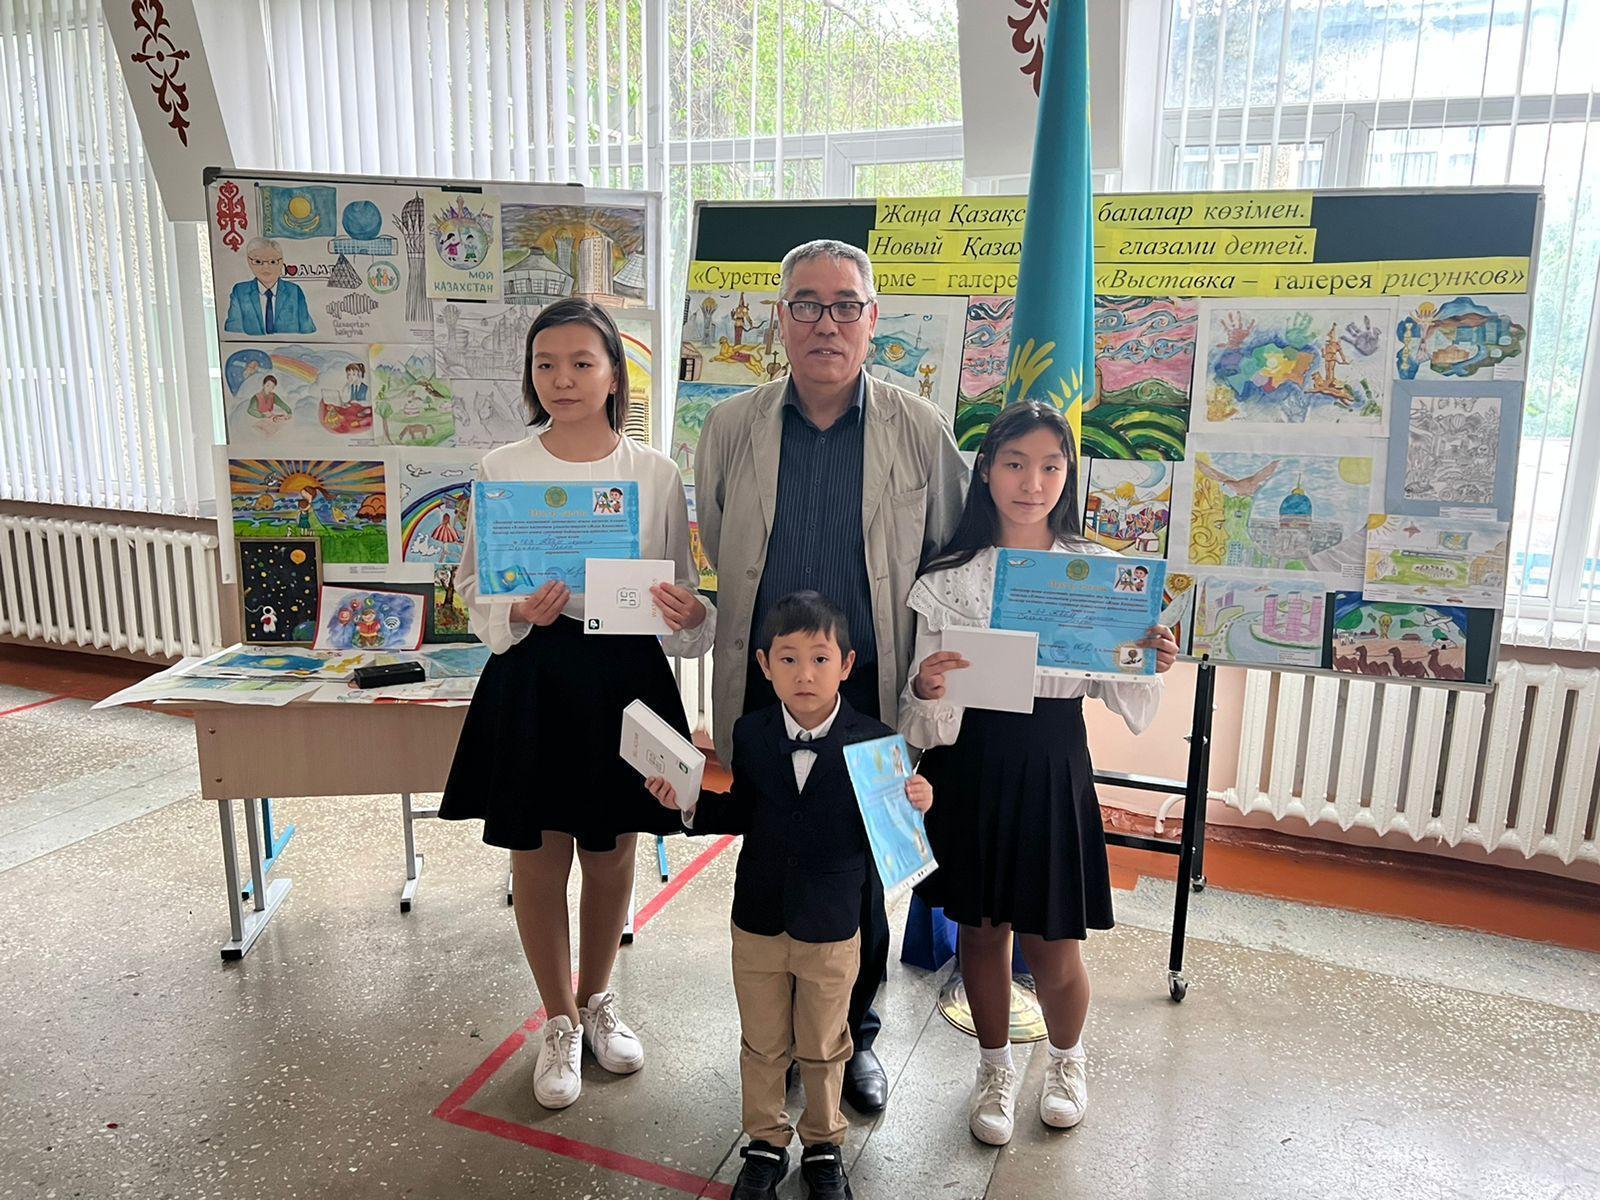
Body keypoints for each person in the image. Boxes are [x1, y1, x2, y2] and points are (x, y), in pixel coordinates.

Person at [695, 238, 967, 1113]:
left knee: (860, 872)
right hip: (770, 690)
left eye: (846, 305)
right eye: (806, 304)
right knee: (772, 858)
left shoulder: (918, 429)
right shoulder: (731, 426)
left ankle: (853, 1040)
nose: (826, 323)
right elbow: (720, 540)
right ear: (780, 320)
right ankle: (775, 1041)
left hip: (872, 697)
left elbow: (950, 554)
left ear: (872, 319)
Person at [440, 298, 714, 1111]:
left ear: (614, 375)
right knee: (537, 852)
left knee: (611, 848)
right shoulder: (502, 468)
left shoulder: (653, 472)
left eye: (581, 363)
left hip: (622, 672)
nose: (563, 379)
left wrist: (688, 612)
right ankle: (556, 1020)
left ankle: (598, 1002)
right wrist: (517, 609)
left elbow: (679, 594)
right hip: (535, 672)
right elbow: (472, 588)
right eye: (546, 364)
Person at [898, 401, 1180, 1147]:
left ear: (1068, 475)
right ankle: (993, 1068)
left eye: (1051, 467)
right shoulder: (949, 577)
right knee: (980, 932)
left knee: (1054, 939)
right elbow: (921, 714)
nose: (1032, 483)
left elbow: (1127, 700)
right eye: (1015, 464)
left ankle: (1066, 1061)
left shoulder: (1100, 573)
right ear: (986, 471)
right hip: (969, 764)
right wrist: (926, 686)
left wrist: (1149, 660)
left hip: (1053, 761)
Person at [645, 592, 933, 1200]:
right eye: (789, 659)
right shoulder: (750, 734)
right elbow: (742, 811)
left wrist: (918, 804)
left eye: (820, 659)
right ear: (764, 665)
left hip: (832, 924)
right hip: (758, 917)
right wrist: (689, 803)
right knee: (762, 1042)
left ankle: (824, 1145)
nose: (805, 674)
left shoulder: (876, 741)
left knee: (827, 1044)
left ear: (846, 665)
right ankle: (764, 1144)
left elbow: (891, 837)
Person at [225, 238, 317, 336]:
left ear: (281, 262)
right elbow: (233, 332)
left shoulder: (294, 291)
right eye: (258, 261)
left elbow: (308, 331)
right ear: (249, 261)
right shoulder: (240, 292)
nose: (266, 267)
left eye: (273, 262)